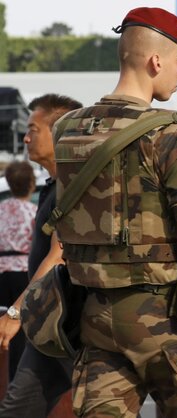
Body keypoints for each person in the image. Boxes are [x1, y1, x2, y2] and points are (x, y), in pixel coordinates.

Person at [51, 8, 177, 416]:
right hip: (167, 320)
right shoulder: (171, 132)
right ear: (156, 62)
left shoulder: (65, 129)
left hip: (95, 316)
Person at [0, 94, 81, 417]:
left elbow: (57, 257)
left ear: (60, 133)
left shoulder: (72, 185)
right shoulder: (57, 185)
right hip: (51, 320)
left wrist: (16, 314)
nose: (25, 136)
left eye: (34, 129)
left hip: (66, 323)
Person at [0, 161, 37, 381]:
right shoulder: (34, 212)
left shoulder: (1, 210)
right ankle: (17, 380)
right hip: (25, 275)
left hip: (1, 274)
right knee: (22, 335)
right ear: (31, 184)